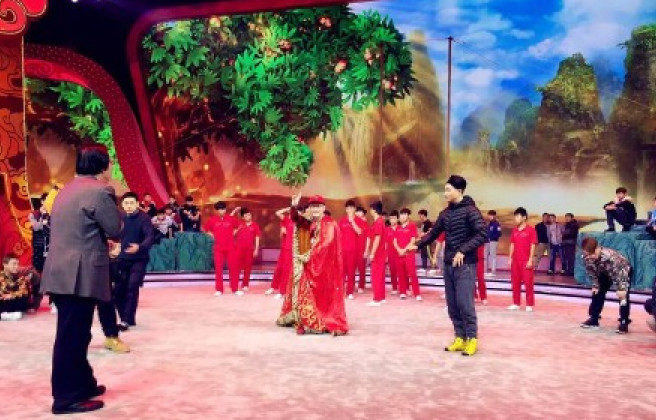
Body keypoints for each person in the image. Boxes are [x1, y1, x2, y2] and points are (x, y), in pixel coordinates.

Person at [41, 144, 122, 414]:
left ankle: (83, 383)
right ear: (102, 165)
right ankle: (66, 398)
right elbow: (115, 228)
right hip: (79, 273)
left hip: (63, 271)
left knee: (77, 333)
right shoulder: (99, 191)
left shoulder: (66, 189)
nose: (111, 168)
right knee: (72, 336)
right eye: (110, 163)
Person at [414, 175, 487, 356]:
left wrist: (463, 250)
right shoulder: (445, 213)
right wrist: (416, 245)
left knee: (465, 303)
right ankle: (459, 337)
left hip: (465, 265)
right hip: (448, 264)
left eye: (448, 190)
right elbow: (433, 233)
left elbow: (482, 234)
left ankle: (472, 339)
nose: (445, 193)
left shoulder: (471, 211)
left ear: (459, 191)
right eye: (445, 189)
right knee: (452, 304)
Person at [277, 195, 348, 335]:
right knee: (305, 291)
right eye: (312, 206)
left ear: (323, 208)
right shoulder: (311, 222)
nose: (315, 209)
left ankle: (321, 320)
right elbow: (296, 220)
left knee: (323, 297)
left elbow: (326, 243)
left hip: (325, 267)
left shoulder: (329, 223)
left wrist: (308, 255)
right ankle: (307, 320)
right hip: (311, 264)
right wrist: (294, 205)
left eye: (318, 206)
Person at [113, 192, 155, 332]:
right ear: (122, 205)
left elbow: (150, 236)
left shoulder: (144, 218)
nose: (129, 206)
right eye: (126, 203)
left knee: (132, 286)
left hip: (139, 259)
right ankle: (126, 318)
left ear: (137, 204)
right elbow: (113, 234)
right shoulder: (120, 217)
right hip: (122, 258)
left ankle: (125, 320)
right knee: (118, 290)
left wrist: (140, 247)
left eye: (132, 203)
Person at [579, 237, 632, 333]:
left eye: (592, 254)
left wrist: (622, 288)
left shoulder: (611, 257)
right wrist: (595, 285)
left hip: (622, 271)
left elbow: (621, 273)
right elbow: (591, 271)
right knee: (597, 291)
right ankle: (594, 318)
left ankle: (624, 321)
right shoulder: (586, 257)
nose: (590, 257)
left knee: (623, 296)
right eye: (588, 254)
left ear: (598, 248)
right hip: (603, 273)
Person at [204, 202, 240, 296]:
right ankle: (219, 289)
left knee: (233, 268)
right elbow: (206, 229)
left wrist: (233, 234)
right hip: (218, 248)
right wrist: (213, 236)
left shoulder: (231, 219)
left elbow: (238, 226)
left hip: (230, 247)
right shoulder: (213, 220)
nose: (222, 211)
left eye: (223, 209)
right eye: (220, 209)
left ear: (225, 209)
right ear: (216, 210)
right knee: (218, 269)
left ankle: (235, 289)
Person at [507, 207, 537, 311]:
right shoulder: (514, 230)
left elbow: (533, 245)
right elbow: (512, 244)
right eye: (515, 216)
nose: (515, 218)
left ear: (524, 217)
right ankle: (516, 303)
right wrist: (510, 258)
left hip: (526, 260)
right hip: (515, 260)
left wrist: (530, 259)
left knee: (528, 283)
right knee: (515, 282)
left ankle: (529, 304)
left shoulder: (531, 230)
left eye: (517, 216)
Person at [339, 200, 364, 299]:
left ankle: (350, 292)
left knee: (351, 271)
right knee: (342, 272)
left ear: (354, 209)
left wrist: (352, 221)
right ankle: (341, 291)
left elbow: (359, 232)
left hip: (353, 250)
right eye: (347, 208)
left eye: (351, 208)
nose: (349, 210)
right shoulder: (342, 220)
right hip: (343, 250)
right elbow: (339, 235)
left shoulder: (359, 220)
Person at [394, 208, 422, 301]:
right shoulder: (398, 227)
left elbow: (413, 240)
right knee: (401, 273)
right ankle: (402, 292)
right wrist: (399, 249)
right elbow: (394, 241)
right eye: (401, 215)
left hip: (409, 254)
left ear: (408, 216)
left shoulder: (412, 226)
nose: (402, 216)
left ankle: (417, 293)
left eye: (404, 214)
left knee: (412, 273)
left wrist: (404, 250)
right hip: (399, 254)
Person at [267, 206, 294, 298]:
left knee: (286, 270)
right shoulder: (287, 220)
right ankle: (273, 287)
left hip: (292, 249)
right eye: (290, 212)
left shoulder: (299, 222)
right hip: (284, 248)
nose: (291, 214)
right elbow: (278, 213)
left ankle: (282, 291)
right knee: (279, 268)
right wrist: (287, 208)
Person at [233, 207, 261, 293]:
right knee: (237, 267)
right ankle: (235, 284)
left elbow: (257, 238)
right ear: (243, 217)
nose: (248, 216)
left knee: (248, 267)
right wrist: (235, 211)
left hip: (249, 249)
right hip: (239, 248)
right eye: (246, 215)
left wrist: (256, 249)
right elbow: (233, 233)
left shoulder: (255, 226)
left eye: (249, 215)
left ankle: (245, 285)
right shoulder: (240, 224)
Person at [366, 201, 386, 306]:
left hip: (378, 254)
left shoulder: (378, 222)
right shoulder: (379, 221)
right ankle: (381, 297)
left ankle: (377, 299)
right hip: (380, 253)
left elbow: (377, 238)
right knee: (380, 276)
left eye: (371, 209)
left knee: (376, 277)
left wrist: (372, 253)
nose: (370, 211)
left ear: (374, 210)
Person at [0, 253, 30, 321]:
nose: (16, 266)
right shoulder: (1, 276)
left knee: (23, 299)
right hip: (3, 300)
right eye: (14, 264)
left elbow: (23, 292)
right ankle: (5, 315)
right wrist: (4, 296)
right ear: (5, 264)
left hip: (12, 300)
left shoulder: (20, 277)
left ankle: (5, 314)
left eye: (17, 264)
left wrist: (11, 295)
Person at [29, 192, 51, 273]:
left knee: (48, 267)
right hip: (39, 245)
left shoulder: (53, 214)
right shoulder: (33, 214)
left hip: (50, 245)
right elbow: (36, 227)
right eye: (47, 200)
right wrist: (44, 216)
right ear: (42, 201)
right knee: (38, 268)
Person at [385, 210, 400, 295]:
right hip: (390, 253)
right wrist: (386, 255)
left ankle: (405, 288)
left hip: (400, 253)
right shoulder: (387, 230)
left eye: (394, 218)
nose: (392, 220)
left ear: (397, 219)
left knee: (402, 271)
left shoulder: (401, 228)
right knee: (393, 271)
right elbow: (385, 243)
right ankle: (394, 288)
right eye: (391, 218)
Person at [355, 206, 369, 293]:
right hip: (353, 249)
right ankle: (351, 284)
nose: (359, 213)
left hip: (362, 249)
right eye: (357, 212)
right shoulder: (352, 223)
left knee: (362, 269)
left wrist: (366, 250)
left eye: (361, 212)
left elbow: (368, 238)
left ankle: (361, 285)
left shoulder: (365, 224)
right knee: (351, 269)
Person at [485, 210, 501, 276]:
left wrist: (492, 238)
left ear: (494, 216)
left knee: (493, 256)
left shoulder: (497, 224)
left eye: (490, 215)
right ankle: (485, 271)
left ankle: (493, 272)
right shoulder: (489, 224)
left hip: (493, 241)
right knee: (485, 256)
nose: (489, 217)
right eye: (489, 216)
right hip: (487, 242)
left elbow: (499, 233)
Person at [418, 209, 432, 275]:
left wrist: (424, 234)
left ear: (423, 215)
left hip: (427, 242)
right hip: (423, 241)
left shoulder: (428, 222)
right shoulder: (423, 223)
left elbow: (430, 231)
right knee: (423, 255)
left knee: (429, 255)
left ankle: (433, 267)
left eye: (420, 215)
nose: (419, 217)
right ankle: (424, 267)